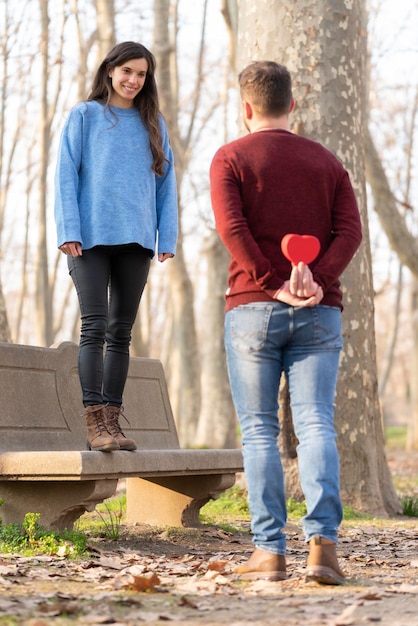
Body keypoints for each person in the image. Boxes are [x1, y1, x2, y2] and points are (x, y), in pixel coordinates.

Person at [209, 61, 362, 585]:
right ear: (292, 105)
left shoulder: (230, 157)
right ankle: (323, 550)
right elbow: (350, 232)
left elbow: (233, 228)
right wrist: (316, 280)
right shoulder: (327, 162)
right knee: (317, 421)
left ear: (245, 108)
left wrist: (272, 281)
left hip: (252, 308)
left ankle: (269, 552)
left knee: (259, 432)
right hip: (320, 311)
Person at [54, 41, 178, 453]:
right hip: (88, 239)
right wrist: (68, 227)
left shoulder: (152, 122)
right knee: (95, 325)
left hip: (137, 240)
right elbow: (65, 175)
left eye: (141, 74)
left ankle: (112, 422)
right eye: (127, 71)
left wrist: (167, 236)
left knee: (121, 332)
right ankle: (94, 423)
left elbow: (166, 184)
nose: (133, 80)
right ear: (110, 70)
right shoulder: (85, 116)